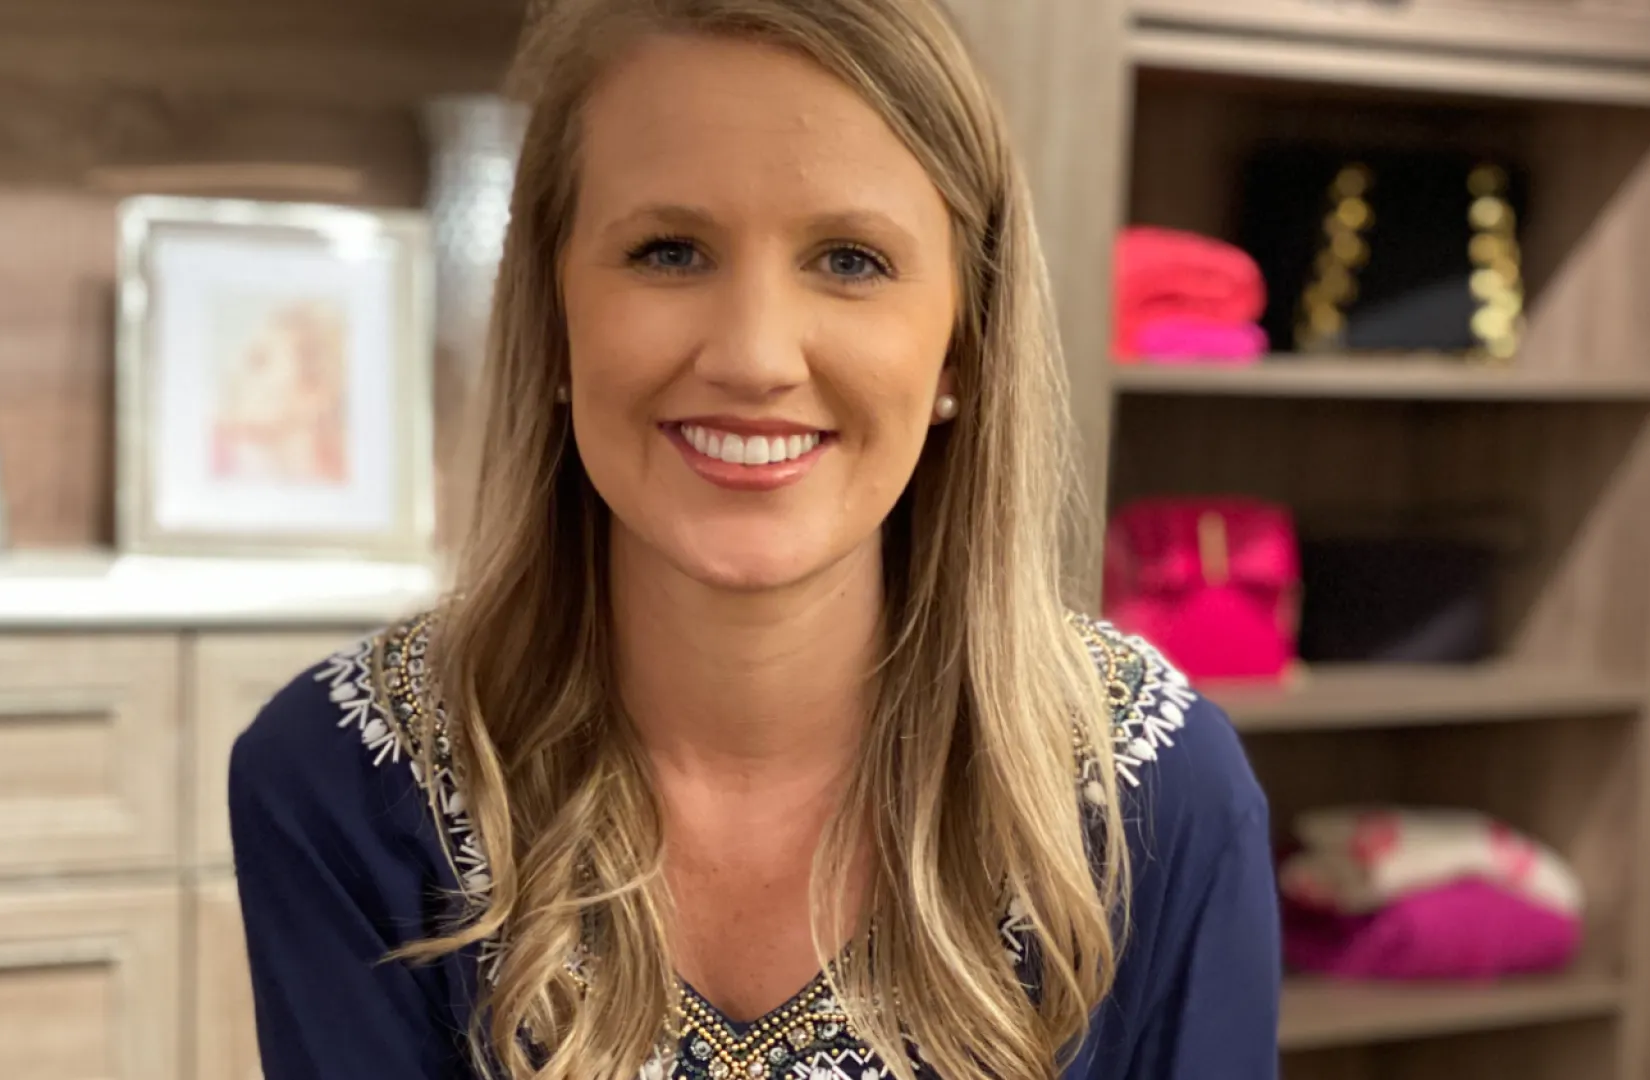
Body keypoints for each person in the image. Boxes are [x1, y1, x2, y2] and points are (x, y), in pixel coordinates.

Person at [226, 1, 1280, 1077]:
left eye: (852, 260)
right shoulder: (344, 781)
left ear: (962, 344)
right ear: (552, 317)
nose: (755, 355)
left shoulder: (1159, 792)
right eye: (670, 251)